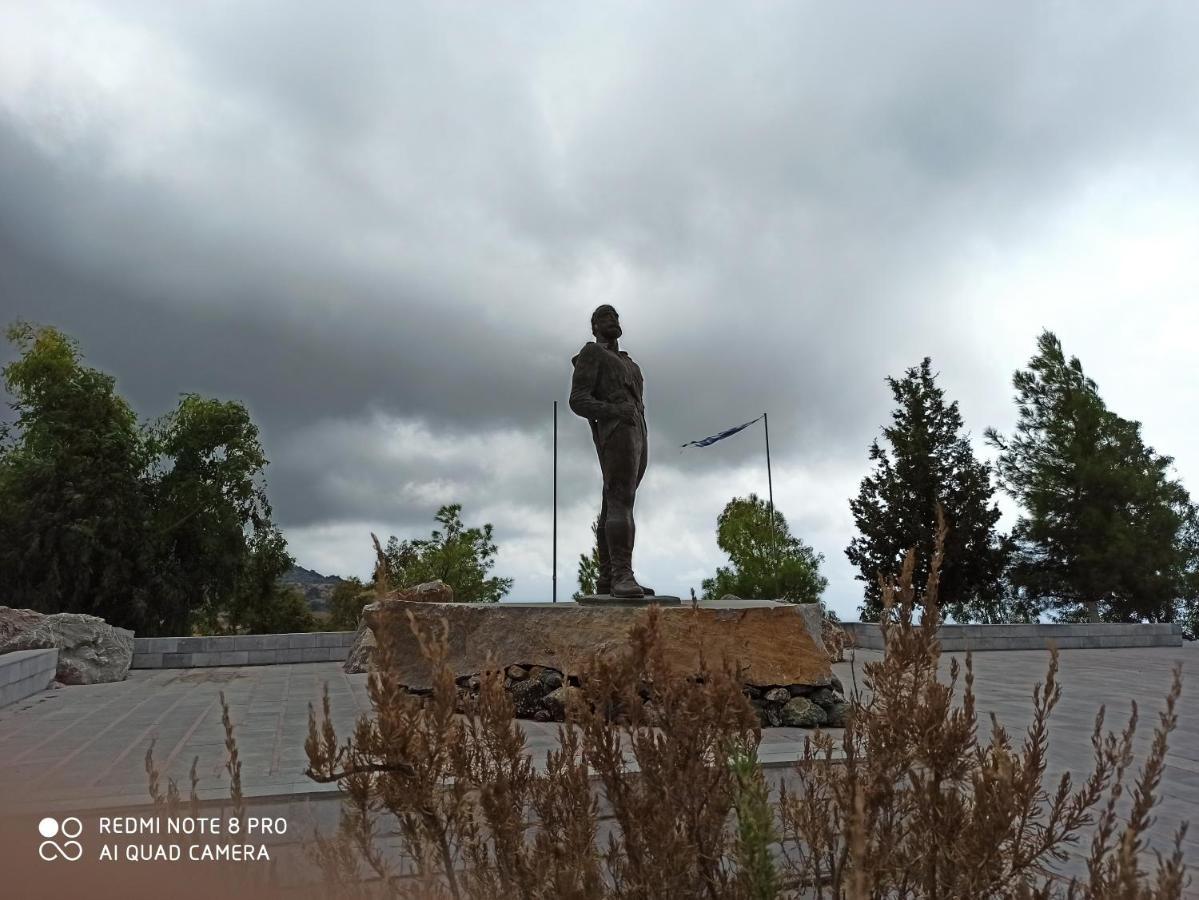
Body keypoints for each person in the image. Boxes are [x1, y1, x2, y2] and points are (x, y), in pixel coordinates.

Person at [569, 305, 654, 598]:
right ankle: (621, 574)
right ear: (594, 327)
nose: (612, 320)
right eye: (605, 317)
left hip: (637, 431)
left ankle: (607, 577)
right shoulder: (592, 354)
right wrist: (614, 410)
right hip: (616, 429)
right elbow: (578, 400)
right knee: (620, 500)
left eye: (615, 316)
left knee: (614, 501)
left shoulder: (630, 363)